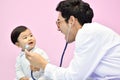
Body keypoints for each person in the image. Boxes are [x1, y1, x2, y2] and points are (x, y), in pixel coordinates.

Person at [25, 0, 120, 80]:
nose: (58, 28)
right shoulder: (91, 33)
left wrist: (43, 64)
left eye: (59, 22)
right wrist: (43, 67)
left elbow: (74, 77)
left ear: (71, 20)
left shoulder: (87, 32)